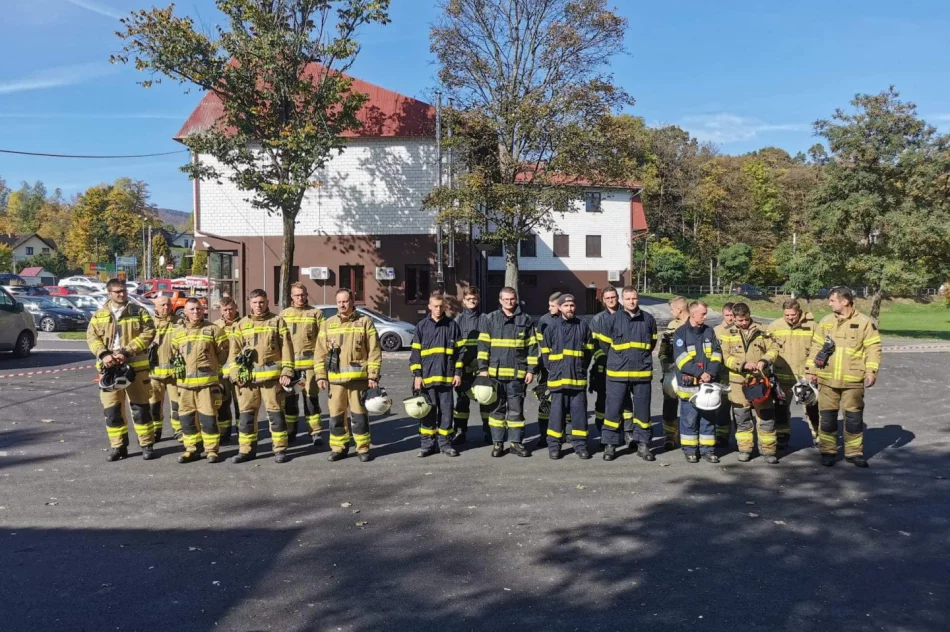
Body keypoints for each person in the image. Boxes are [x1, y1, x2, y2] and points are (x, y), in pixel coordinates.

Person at [806, 287, 881, 468]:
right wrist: (810, 370)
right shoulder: (825, 322)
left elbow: (873, 349)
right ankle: (828, 451)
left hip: (852, 380)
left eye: (832, 300)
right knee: (828, 418)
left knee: (854, 418)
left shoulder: (864, 322)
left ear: (845, 301)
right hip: (827, 379)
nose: (829, 303)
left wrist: (871, 372)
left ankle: (854, 453)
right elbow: (815, 347)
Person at [86, 278, 156, 461]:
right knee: (112, 411)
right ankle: (118, 447)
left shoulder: (138, 311)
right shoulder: (99, 315)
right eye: (117, 291)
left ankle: (147, 445)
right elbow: (92, 338)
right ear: (109, 293)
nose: (122, 294)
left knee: (140, 408)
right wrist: (104, 354)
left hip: (135, 368)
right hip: (109, 369)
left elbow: (149, 332)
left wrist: (127, 351)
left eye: (123, 290)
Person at [315, 289, 382, 462]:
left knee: (359, 417)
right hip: (335, 381)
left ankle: (363, 449)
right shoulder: (328, 324)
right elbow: (320, 353)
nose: (342, 305)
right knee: (336, 417)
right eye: (339, 302)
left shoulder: (365, 322)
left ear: (352, 301)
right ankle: (339, 448)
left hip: (358, 381)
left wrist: (373, 376)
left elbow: (374, 351)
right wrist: (321, 376)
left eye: (345, 301)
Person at [228, 289, 295, 464]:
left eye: (262, 302)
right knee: (246, 418)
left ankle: (280, 449)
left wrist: (287, 371)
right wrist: (235, 375)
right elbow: (233, 353)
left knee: (276, 416)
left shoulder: (277, 321)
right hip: (247, 381)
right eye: (255, 302)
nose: (258, 306)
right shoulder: (241, 325)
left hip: (272, 381)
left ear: (267, 302)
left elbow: (287, 348)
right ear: (249, 303)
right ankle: (246, 450)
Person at [477, 286, 540, 458]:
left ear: (516, 299)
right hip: (494, 375)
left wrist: (531, 370)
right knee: (496, 411)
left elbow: (532, 348)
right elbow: (483, 347)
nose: (509, 302)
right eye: (505, 299)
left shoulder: (526, 320)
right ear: (500, 300)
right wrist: (482, 369)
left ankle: (516, 443)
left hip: (516, 375)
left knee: (516, 411)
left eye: (512, 299)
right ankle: (498, 443)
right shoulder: (490, 319)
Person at [597, 286, 657, 462]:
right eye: (628, 299)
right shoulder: (612, 320)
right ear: (623, 300)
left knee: (643, 412)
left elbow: (652, 343)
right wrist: (619, 360)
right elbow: (605, 345)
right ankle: (610, 444)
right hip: (618, 373)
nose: (632, 302)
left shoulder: (648, 319)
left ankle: (643, 444)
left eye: (634, 298)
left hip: (642, 373)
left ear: (638, 299)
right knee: (613, 411)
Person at [170, 298, 230, 463]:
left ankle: (211, 451)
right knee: (187, 420)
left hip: (206, 385)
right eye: (192, 309)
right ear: (185, 312)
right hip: (185, 386)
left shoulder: (213, 330)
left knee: (209, 419)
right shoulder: (177, 332)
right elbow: (174, 355)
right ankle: (192, 449)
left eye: (198, 309)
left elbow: (223, 355)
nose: (196, 312)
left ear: (202, 309)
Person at [720, 302, 780, 463]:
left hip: (760, 380)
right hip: (738, 382)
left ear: (749, 315)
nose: (744, 323)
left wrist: (764, 361)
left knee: (766, 416)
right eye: (740, 321)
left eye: (746, 320)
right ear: (734, 318)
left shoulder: (762, 330)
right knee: (742, 416)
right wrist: (742, 365)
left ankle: (768, 451)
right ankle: (745, 449)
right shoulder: (727, 333)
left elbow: (774, 349)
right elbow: (724, 356)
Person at [539, 294, 594, 460]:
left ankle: (580, 446)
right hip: (558, 380)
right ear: (560, 307)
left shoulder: (583, 327)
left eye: (572, 305)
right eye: (566, 305)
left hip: (577, 379)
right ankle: (554, 446)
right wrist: (554, 369)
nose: (570, 308)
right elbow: (546, 354)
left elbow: (589, 352)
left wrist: (580, 368)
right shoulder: (551, 327)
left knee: (579, 416)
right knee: (556, 416)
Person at [410, 292, 463, 457]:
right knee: (427, 413)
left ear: (445, 307)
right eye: (435, 306)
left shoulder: (452, 326)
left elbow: (460, 353)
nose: (438, 309)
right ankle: (427, 445)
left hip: (447, 380)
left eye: (441, 306)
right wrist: (417, 375)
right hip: (426, 379)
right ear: (429, 306)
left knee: (446, 413)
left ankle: (445, 444)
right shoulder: (421, 326)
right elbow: (415, 354)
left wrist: (458, 373)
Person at [673, 301, 724, 463]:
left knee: (708, 419)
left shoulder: (709, 332)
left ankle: (708, 450)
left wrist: (709, 373)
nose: (706, 316)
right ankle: (690, 450)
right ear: (693, 314)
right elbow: (681, 360)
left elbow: (717, 354)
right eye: (703, 314)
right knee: (689, 419)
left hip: (707, 385)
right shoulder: (680, 334)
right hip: (690, 387)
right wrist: (700, 373)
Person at [767, 299, 819, 449]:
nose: (790, 318)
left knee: (812, 408)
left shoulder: (813, 326)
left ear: (799, 312)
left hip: (805, 377)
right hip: (782, 376)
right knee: (781, 408)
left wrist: (814, 373)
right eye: (786, 315)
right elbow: (767, 348)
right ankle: (782, 436)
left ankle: (818, 436)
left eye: (793, 315)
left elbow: (819, 350)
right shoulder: (775, 326)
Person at [280, 282, 326, 447]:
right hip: (290, 367)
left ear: (307, 295)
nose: (300, 298)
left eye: (303, 294)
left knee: (311, 400)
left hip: (310, 367)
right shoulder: (284, 315)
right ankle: (291, 432)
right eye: (297, 295)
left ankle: (315, 432)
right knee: (290, 402)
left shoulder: (316, 314)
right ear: (291, 296)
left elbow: (323, 340)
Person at [452, 286, 491, 445]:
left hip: (482, 367)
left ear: (478, 300)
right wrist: (457, 370)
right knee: (461, 402)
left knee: (486, 399)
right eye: (469, 299)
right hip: (464, 368)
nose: (472, 301)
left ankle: (489, 432)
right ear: (464, 301)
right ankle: (461, 432)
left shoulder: (485, 319)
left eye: (474, 299)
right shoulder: (458, 321)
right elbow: (454, 347)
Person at [147, 296, 181, 443]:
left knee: (177, 405)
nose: (166, 308)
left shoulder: (179, 322)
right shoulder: (149, 324)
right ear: (156, 306)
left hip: (174, 374)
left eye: (168, 304)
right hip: (154, 374)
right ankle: (156, 430)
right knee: (154, 405)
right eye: (162, 305)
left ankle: (179, 430)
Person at [532, 292, 562, 448]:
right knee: (545, 402)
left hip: (564, 368)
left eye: (552, 306)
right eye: (549, 305)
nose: (549, 308)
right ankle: (544, 435)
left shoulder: (568, 320)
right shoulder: (544, 320)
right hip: (546, 368)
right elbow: (541, 346)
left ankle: (566, 434)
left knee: (565, 402)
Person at [589, 286, 620, 433]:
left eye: (613, 297)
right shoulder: (597, 320)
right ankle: (602, 430)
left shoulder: (626, 315)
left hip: (623, 367)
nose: (610, 300)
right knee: (602, 400)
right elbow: (593, 345)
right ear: (603, 300)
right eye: (607, 298)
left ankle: (624, 431)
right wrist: (601, 359)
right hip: (603, 367)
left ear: (617, 297)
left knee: (623, 400)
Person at [658, 296, 688, 450]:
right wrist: (664, 362)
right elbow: (664, 347)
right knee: (669, 404)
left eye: (672, 309)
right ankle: (669, 437)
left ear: (679, 309)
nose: (670, 312)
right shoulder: (672, 325)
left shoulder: (692, 324)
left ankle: (689, 438)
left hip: (688, 374)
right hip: (671, 371)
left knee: (689, 406)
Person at [213, 297, 242, 443]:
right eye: (225, 310)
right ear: (220, 311)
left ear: (236, 307)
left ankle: (242, 432)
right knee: (222, 404)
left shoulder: (244, 324)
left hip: (239, 372)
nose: (228, 312)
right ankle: (224, 433)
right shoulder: (215, 327)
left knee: (241, 404)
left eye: (231, 309)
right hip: (222, 373)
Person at [712, 302, 736, 447]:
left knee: (740, 408)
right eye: (726, 315)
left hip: (737, 374)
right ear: (722, 315)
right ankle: (722, 435)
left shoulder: (740, 329)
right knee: (722, 407)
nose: (729, 318)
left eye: (732, 315)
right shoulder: (716, 331)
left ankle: (742, 437)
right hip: (722, 374)